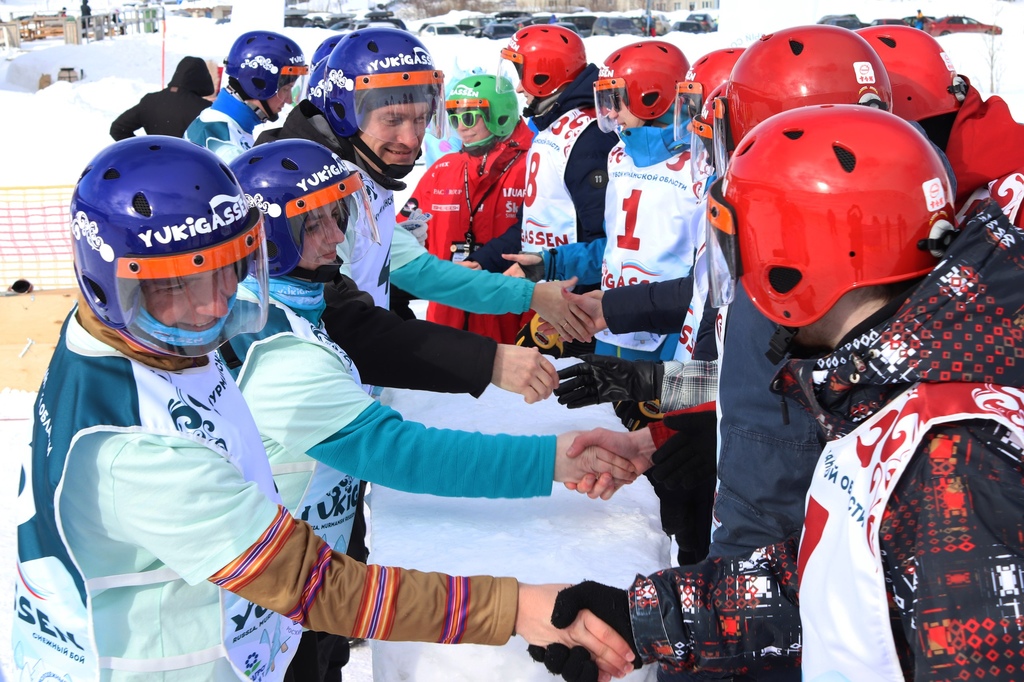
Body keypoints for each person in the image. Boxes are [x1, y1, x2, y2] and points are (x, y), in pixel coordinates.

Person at [12, 135, 636, 682]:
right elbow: (315, 584)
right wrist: (522, 608)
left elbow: (370, 328)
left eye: (229, 270)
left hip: (233, 628)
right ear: (106, 281)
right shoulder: (143, 453)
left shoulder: (133, 336)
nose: (211, 307)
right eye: (175, 284)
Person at [537, 103, 1024, 681]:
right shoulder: (882, 388)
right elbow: (846, 577)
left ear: (792, 264)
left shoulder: (953, 461)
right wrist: (646, 618)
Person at [228, 139, 642, 682]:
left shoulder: (298, 304)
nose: (335, 237)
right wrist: (554, 461)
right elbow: (402, 454)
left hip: (307, 577)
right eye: (313, 226)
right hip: (274, 603)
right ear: (268, 238)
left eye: (338, 216)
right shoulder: (276, 349)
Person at [258, 27, 593, 342]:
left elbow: (422, 272)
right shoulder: (319, 195)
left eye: (421, 119)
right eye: (392, 120)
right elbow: (345, 320)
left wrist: (530, 295)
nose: (410, 139)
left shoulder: (367, 177)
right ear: (346, 114)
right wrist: (485, 361)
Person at [497, 25, 619, 356]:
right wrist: (484, 261)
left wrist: (578, 303)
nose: (520, 89)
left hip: (580, 306)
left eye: (522, 75)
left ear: (543, 76)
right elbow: (535, 219)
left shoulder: (589, 134)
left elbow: (609, 240)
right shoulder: (556, 125)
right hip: (551, 290)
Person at [396, 73, 534, 343]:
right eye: (455, 118)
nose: (461, 127)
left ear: (500, 115)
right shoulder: (443, 170)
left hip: (510, 311)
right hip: (448, 312)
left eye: (469, 117)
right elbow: (404, 233)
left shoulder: (533, 165)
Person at [185, 30, 307, 162]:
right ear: (259, 85)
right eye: (286, 89)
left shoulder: (215, 121)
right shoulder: (226, 147)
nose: (288, 100)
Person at [109, 56, 215, 140]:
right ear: (202, 80)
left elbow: (118, 129)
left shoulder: (150, 101)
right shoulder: (205, 110)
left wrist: (144, 151)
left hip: (154, 164)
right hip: (190, 165)